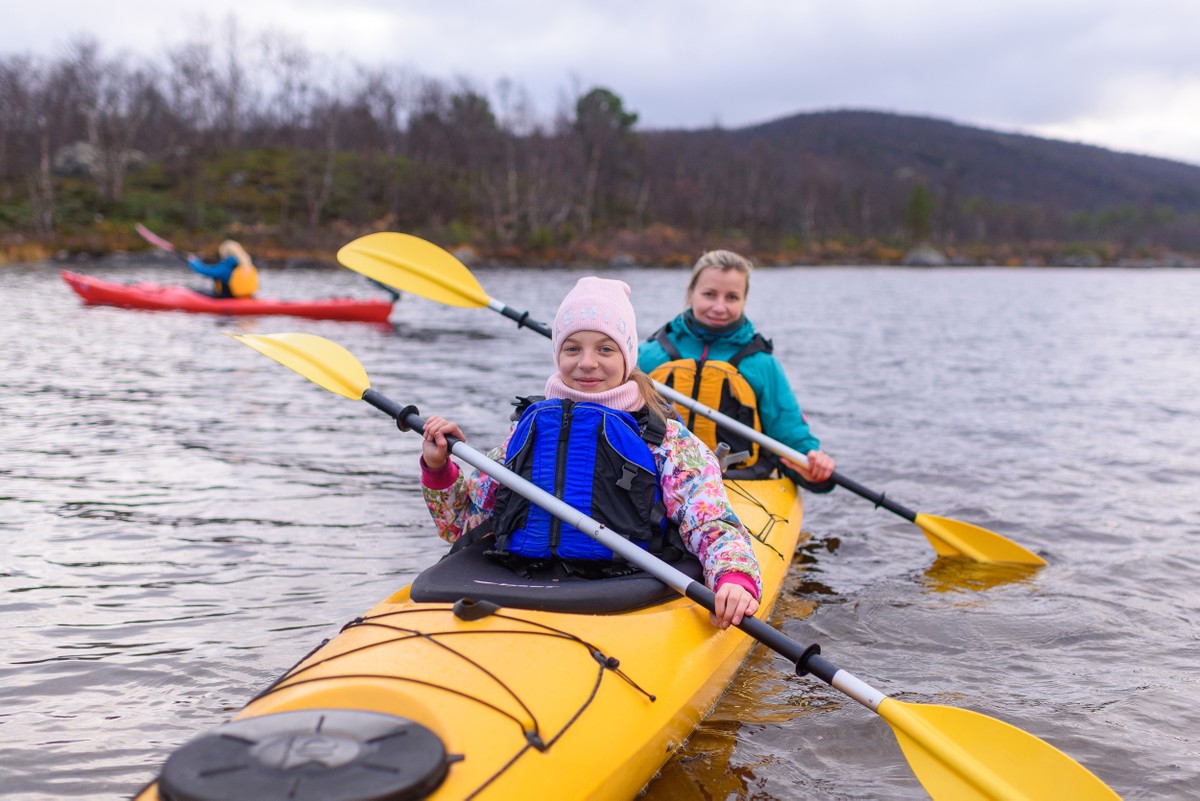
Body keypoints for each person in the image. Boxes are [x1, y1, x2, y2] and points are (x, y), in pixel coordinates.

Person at [419, 277, 762, 630]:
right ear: (557, 354)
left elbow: (712, 523)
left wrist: (734, 576)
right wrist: (438, 467)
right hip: (526, 576)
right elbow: (458, 523)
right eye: (572, 349)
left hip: (625, 584)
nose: (587, 363)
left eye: (605, 349)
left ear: (627, 357)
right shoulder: (527, 430)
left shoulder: (665, 439)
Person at [637, 250, 836, 487]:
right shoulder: (649, 355)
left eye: (732, 297)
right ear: (691, 294)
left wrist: (812, 462)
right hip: (657, 476)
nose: (719, 307)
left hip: (737, 482)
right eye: (709, 294)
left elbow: (790, 435)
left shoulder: (760, 364)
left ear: (744, 301)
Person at [186, 240, 259, 299]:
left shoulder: (228, 265)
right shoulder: (246, 264)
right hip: (244, 297)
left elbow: (207, 271)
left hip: (226, 298)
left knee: (194, 290)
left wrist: (194, 262)